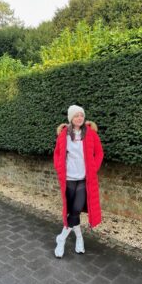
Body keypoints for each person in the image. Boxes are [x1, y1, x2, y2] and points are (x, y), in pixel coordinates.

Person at [53, 104, 104, 258]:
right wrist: (59, 168)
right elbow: (57, 154)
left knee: (75, 210)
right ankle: (79, 239)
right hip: (68, 179)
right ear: (71, 118)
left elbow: (99, 153)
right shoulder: (63, 135)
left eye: (81, 115)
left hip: (83, 179)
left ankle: (61, 238)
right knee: (71, 211)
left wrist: (93, 168)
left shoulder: (91, 134)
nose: (79, 118)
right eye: (76, 115)